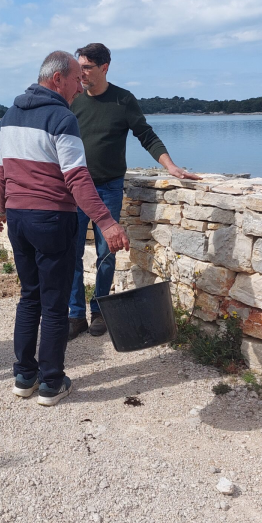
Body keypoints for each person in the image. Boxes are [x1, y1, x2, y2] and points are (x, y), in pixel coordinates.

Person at [0, 51, 129, 406]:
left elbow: (2, 172)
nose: (80, 87)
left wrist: (1, 209)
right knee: (53, 305)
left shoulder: (8, 117)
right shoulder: (62, 117)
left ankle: (24, 377)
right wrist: (107, 222)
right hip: (52, 219)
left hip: (19, 221)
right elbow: (78, 178)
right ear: (57, 80)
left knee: (29, 297)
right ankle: (51, 382)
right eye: (75, 80)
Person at [68, 43, 201, 339]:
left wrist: (172, 167)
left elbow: (146, 135)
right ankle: (75, 315)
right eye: (79, 68)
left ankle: (99, 310)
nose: (81, 74)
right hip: (76, 189)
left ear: (105, 67)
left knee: (106, 252)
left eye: (87, 68)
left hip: (109, 186)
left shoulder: (123, 100)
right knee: (71, 253)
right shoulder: (73, 99)